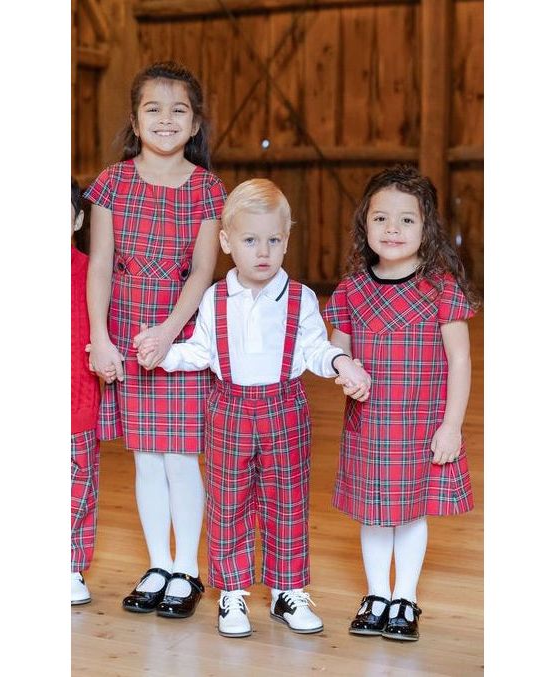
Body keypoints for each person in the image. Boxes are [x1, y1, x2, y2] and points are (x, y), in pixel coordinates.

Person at [159, 178, 371, 638]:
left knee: (287, 502)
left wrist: (341, 362)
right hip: (230, 409)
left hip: (285, 409)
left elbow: (315, 349)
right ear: (226, 241)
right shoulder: (216, 298)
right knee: (228, 502)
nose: (263, 251)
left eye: (274, 240)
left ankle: (286, 589)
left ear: (287, 240)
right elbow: (200, 352)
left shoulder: (300, 298)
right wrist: (164, 354)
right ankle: (232, 592)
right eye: (251, 240)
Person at [83, 61, 226, 618]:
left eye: (179, 110)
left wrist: (168, 333)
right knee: (145, 457)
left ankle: (187, 569)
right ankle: (157, 563)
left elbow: (201, 272)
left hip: (180, 334)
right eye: (153, 109)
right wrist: (100, 337)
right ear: (135, 119)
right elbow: (99, 266)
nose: (166, 119)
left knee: (181, 458)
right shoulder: (111, 183)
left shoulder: (208, 189)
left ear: (194, 124)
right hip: (124, 332)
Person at [323, 165, 481, 642]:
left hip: (422, 424)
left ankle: (405, 597)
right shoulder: (352, 288)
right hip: (369, 423)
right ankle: (376, 595)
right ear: (364, 225)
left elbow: (460, 359)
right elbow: (335, 347)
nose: (392, 229)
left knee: (411, 512)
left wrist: (452, 426)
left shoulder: (441, 289)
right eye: (381, 218)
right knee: (375, 512)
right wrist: (342, 369)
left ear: (426, 228)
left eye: (407, 220)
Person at [71, 178, 101, 605]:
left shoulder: (90, 271)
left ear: (77, 219)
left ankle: (70, 566)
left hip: (76, 402)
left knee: (77, 489)